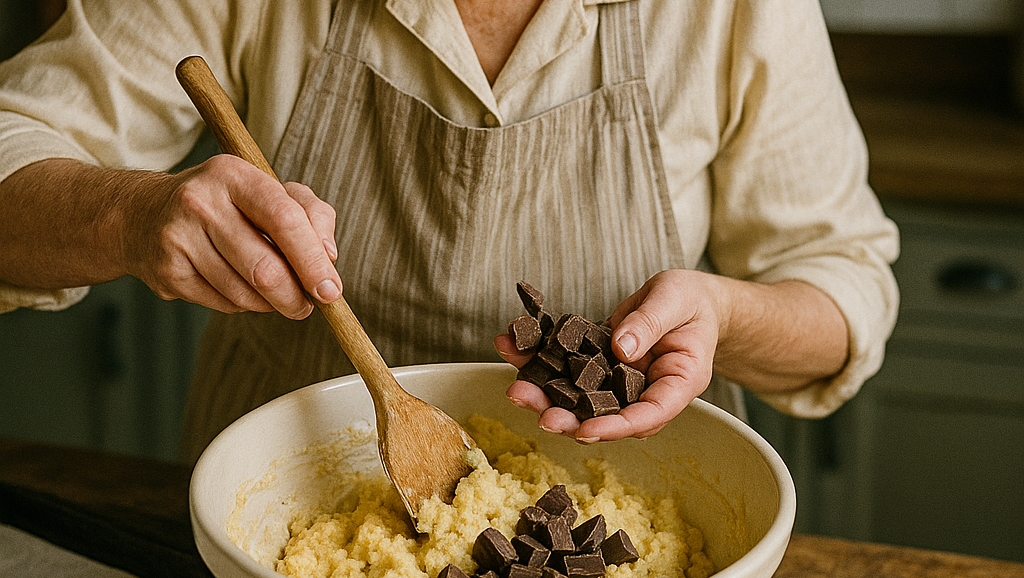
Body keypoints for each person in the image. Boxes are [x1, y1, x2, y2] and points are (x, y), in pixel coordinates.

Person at [0, 0, 899, 462]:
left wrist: (725, 314)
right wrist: (130, 213)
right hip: (273, 537)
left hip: (638, 521)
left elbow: (842, 289)